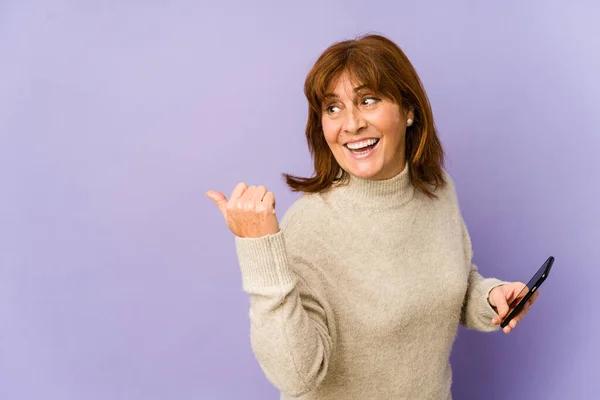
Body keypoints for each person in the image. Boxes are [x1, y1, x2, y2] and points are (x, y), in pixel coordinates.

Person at [206, 34, 539, 400]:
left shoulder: (437, 189)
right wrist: (260, 251)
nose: (350, 124)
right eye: (332, 108)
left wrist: (491, 297)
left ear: (409, 111)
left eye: (368, 100)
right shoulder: (310, 225)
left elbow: (450, 281)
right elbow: (297, 376)